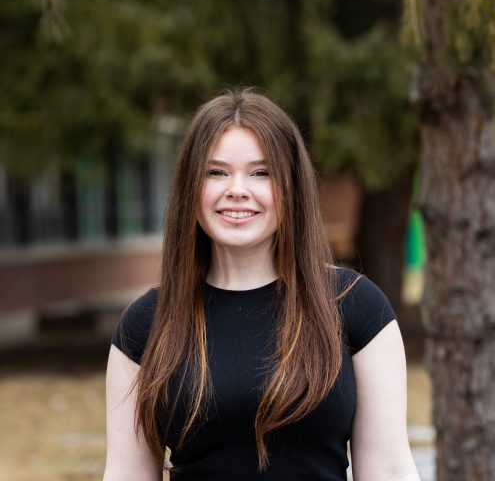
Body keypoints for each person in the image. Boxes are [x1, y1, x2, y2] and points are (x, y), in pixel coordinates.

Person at [104, 89, 420, 481]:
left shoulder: (355, 306)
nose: (237, 189)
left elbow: (389, 469)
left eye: (261, 172)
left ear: (291, 187)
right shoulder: (145, 325)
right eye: (216, 172)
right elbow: (125, 473)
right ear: (190, 187)